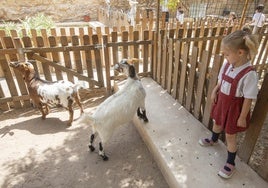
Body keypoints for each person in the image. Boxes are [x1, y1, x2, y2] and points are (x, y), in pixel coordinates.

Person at [198, 26, 260, 179]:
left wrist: (242, 116)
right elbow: (221, 80)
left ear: (240, 53)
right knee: (217, 122)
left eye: (226, 54)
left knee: (231, 136)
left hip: (235, 109)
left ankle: (231, 163)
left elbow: (248, 98)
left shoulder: (249, 74)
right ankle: (214, 138)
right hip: (222, 102)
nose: (225, 57)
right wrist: (215, 90)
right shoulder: (228, 65)